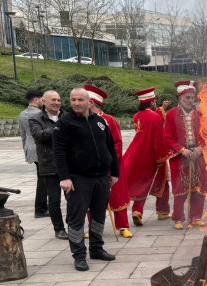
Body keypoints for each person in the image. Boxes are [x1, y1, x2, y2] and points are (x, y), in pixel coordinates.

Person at [53, 88, 119, 271]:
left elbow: (110, 147)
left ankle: (96, 248)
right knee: (76, 219)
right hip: (78, 179)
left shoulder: (100, 121)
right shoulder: (64, 123)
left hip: (101, 177)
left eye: (80, 100)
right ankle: (79, 255)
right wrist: (65, 177)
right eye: (73, 99)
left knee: (98, 216)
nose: (76, 103)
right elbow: (58, 153)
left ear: (89, 102)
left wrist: (115, 172)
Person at [122, 87, 173, 226]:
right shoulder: (155, 117)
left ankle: (137, 211)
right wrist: (161, 158)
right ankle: (162, 211)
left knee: (142, 182)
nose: (155, 103)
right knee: (162, 182)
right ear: (151, 103)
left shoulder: (136, 116)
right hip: (152, 154)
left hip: (137, 152)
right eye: (154, 101)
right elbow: (158, 139)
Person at [86, 84, 131, 238]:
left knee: (117, 195)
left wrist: (107, 161)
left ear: (91, 103)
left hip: (110, 166)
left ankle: (123, 226)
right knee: (91, 197)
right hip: (90, 167)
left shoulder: (109, 120)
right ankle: (93, 228)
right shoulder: (82, 120)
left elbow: (117, 143)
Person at [165, 80, 207, 229]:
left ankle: (196, 216)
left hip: (198, 156)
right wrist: (182, 150)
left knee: (199, 186)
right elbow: (168, 137)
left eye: (192, 97)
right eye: (187, 98)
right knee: (180, 187)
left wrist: (200, 149)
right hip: (180, 156)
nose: (191, 100)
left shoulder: (200, 114)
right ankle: (178, 218)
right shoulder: (171, 114)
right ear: (180, 98)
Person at [29, 90, 67, 239]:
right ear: (44, 102)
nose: (57, 103)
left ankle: (72, 223)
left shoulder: (67, 116)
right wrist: (58, 127)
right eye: (53, 100)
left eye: (58, 100)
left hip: (68, 164)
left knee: (73, 198)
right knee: (54, 200)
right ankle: (59, 229)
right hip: (48, 164)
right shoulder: (35, 119)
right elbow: (38, 135)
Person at [19, 89, 47, 217]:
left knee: (42, 177)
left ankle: (42, 207)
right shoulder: (40, 114)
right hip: (41, 149)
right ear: (36, 100)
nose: (44, 101)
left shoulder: (22, 114)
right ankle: (40, 208)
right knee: (43, 179)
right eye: (42, 99)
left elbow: (23, 135)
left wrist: (26, 152)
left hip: (30, 148)